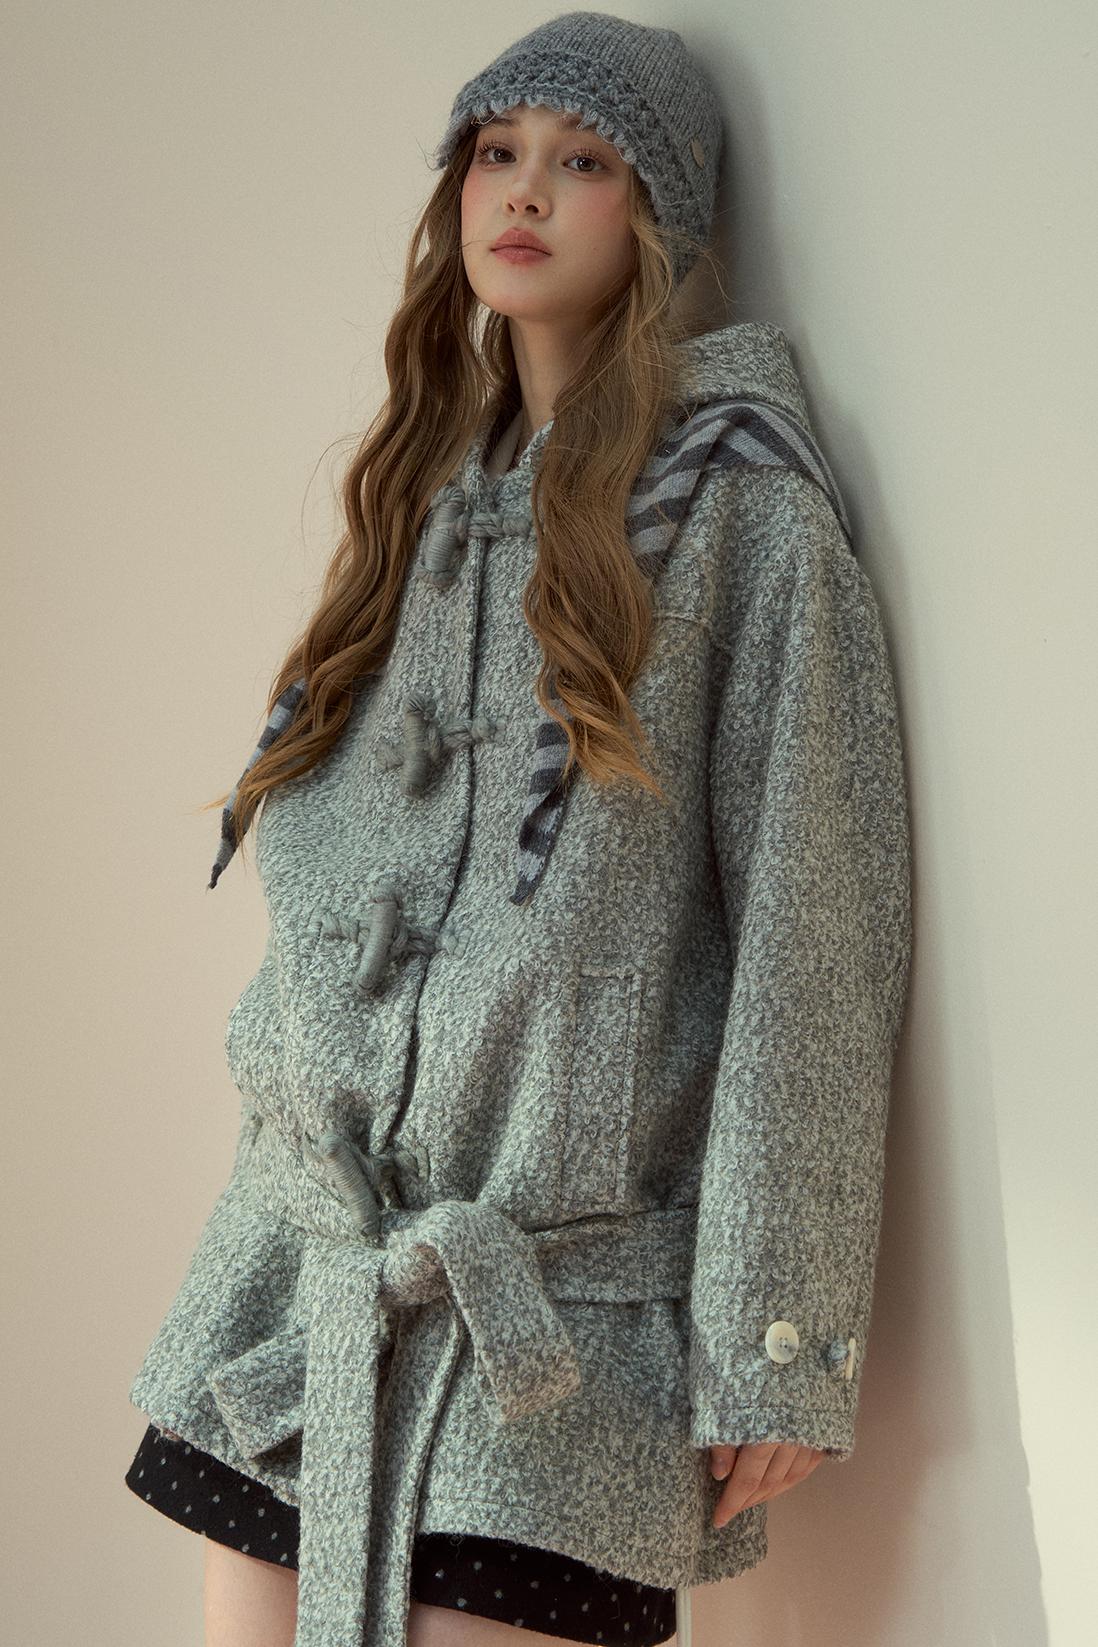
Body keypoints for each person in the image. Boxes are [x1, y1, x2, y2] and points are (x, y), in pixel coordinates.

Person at [123, 12, 913, 1647]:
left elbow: (815, 936)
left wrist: (777, 1331)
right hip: (302, 1276)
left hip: (553, 1335)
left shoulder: (743, 513)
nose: (526, 192)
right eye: (496, 152)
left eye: (583, 161)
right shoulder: (425, 496)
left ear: (661, 214)